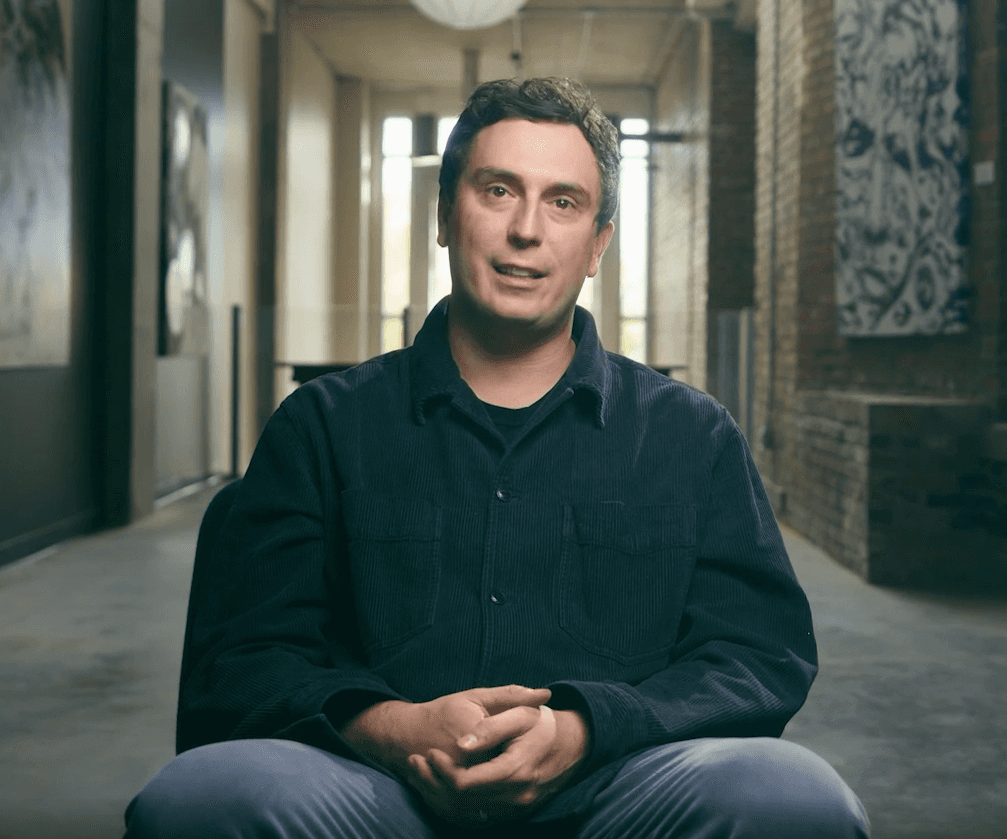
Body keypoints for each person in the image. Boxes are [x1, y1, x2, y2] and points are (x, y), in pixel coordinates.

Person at [124, 77, 870, 838]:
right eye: (498, 190)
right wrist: (394, 728)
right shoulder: (321, 426)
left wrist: (584, 730)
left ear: (597, 244)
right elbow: (244, 660)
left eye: (563, 202)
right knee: (195, 797)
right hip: (377, 791)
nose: (526, 229)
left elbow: (757, 654)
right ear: (445, 215)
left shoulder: (693, 436)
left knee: (797, 797)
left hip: (617, 790)